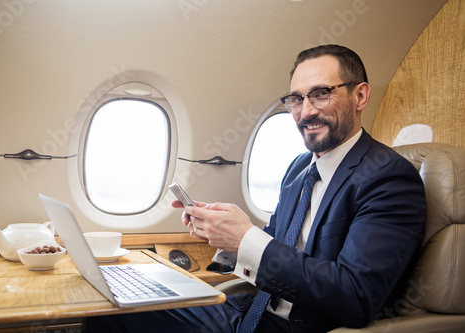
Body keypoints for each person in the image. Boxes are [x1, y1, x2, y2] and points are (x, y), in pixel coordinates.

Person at [86, 44, 426, 332]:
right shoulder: (299, 169)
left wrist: (246, 237)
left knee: (117, 312)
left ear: (360, 96)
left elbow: (355, 295)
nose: (306, 112)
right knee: (115, 301)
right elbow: (277, 247)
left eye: (321, 94)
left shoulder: (388, 178)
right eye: (296, 99)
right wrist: (226, 240)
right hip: (252, 311)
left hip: (299, 326)